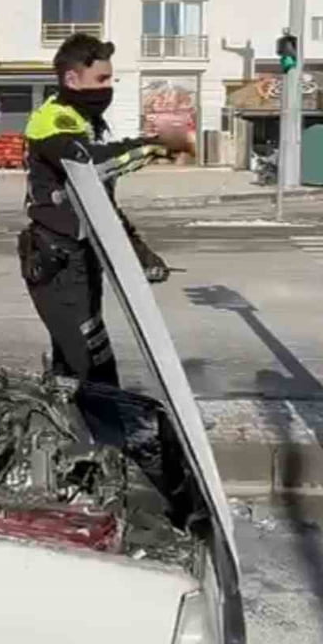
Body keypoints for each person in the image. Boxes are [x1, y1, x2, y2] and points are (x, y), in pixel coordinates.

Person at [19, 33, 190, 386]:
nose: (108, 88)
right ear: (71, 79)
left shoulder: (82, 122)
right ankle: (103, 436)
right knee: (94, 368)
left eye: (110, 78)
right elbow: (89, 167)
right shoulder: (54, 120)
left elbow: (99, 203)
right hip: (59, 262)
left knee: (76, 366)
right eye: (101, 79)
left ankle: (79, 431)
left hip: (79, 259)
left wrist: (139, 253)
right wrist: (153, 146)